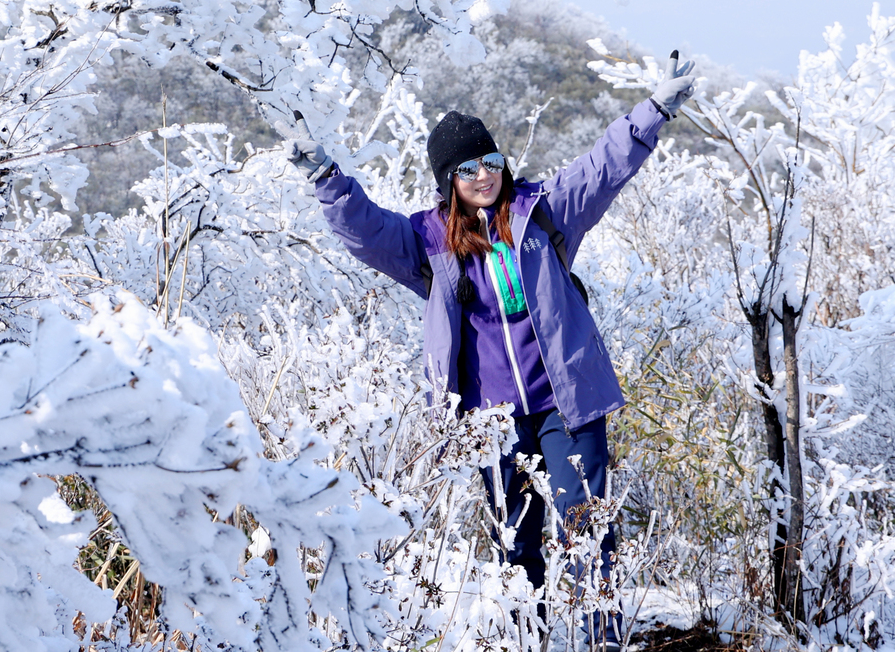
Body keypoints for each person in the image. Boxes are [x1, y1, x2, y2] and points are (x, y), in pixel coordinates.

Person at [291, 57, 697, 648]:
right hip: (493, 424)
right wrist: (327, 178)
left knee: (588, 530)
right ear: (448, 181)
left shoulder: (543, 210)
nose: (484, 175)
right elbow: (367, 231)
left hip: (566, 403)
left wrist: (653, 111)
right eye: (468, 168)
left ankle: (603, 640)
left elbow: (602, 168)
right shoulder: (430, 242)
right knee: (516, 543)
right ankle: (526, 641)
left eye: (492, 162)